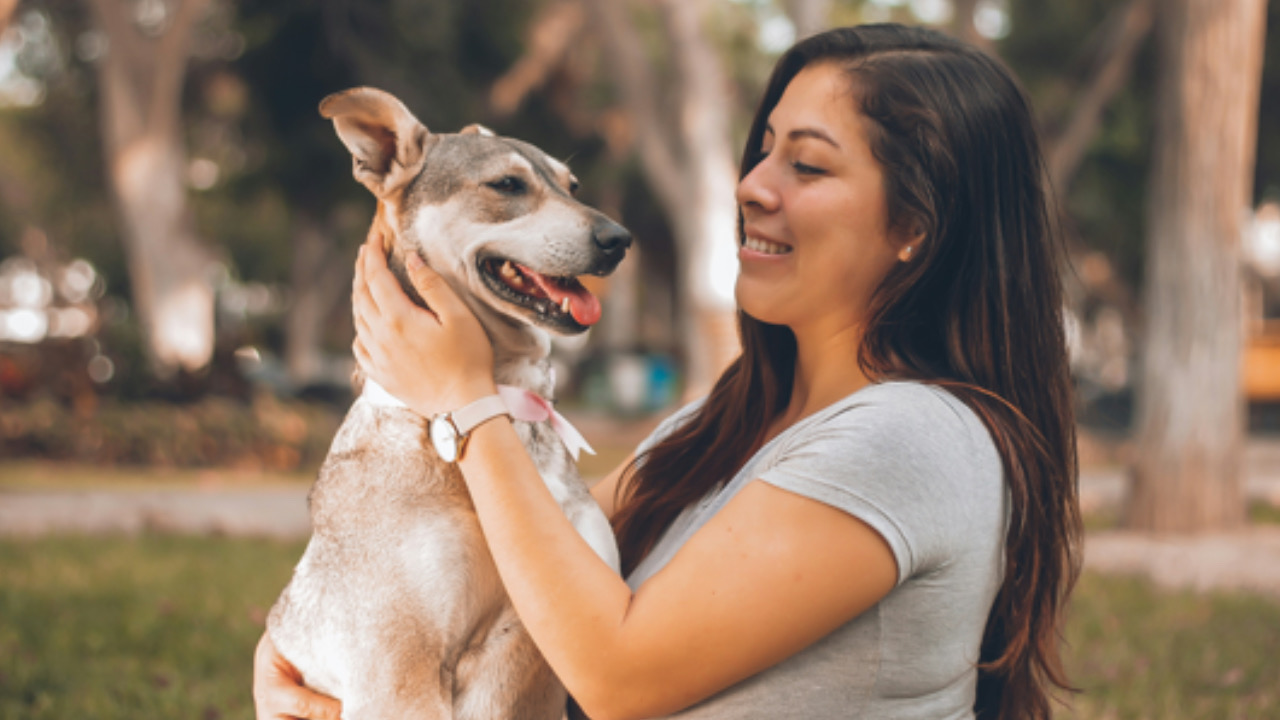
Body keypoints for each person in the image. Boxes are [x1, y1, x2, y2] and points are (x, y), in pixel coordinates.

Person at [254, 23, 1081, 720]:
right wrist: (295, 653)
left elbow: (615, 674)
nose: (752, 187)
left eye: (809, 164)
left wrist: (466, 398)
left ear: (917, 227)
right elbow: (512, 564)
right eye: (761, 153)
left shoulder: (913, 439)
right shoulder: (713, 427)